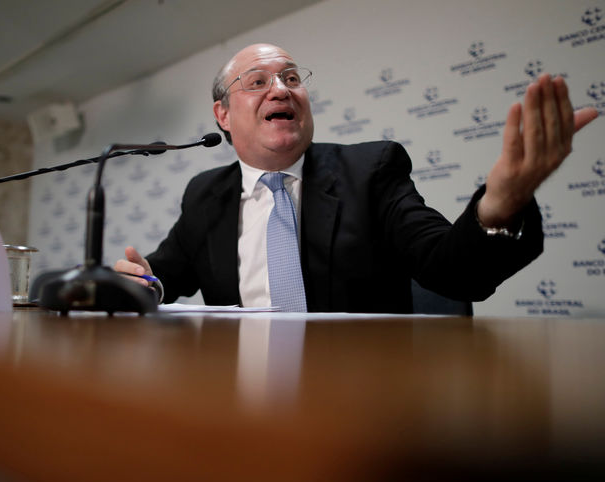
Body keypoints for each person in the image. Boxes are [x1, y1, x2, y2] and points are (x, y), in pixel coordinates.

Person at [115, 43, 598, 312]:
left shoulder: (372, 170)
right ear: (222, 114)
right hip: (243, 397)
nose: (281, 89)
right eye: (258, 82)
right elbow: (164, 274)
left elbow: (453, 271)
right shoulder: (206, 196)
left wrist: (502, 202)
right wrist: (140, 284)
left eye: (291, 78)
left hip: (362, 396)